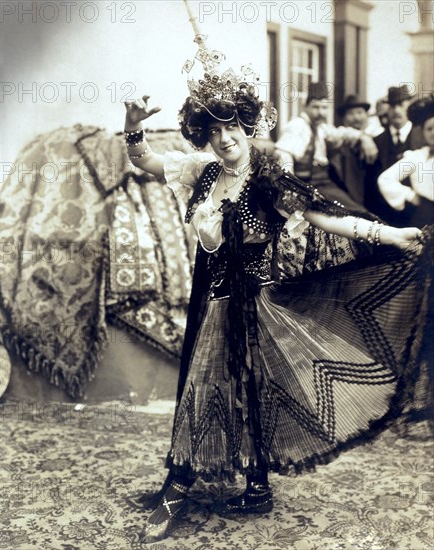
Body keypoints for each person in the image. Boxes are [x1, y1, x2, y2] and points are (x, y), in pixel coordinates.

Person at [123, 64, 430, 543]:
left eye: (231, 127)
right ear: (202, 134)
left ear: (247, 125)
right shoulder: (201, 172)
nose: (225, 139)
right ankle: (193, 479)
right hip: (210, 296)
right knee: (200, 385)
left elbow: (326, 217)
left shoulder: (267, 179)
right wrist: (134, 124)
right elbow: (144, 160)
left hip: (253, 303)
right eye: (214, 129)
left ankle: (222, 483)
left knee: (248, 389)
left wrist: (390, 233)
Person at [274, 82, 378, 211]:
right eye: (316, 107)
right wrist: (289, 188)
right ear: (304, 106)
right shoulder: (297, 126)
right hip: (308, 186)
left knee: (357, 211)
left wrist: (364, 137)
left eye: (324, 108)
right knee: (352, 213)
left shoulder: (320, 127)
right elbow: (283, 154)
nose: (320, 113)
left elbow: (340, 133)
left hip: (324, 184)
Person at [365, 85, 425, 225]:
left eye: (400, 105)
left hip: (419, 216)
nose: (396, 111)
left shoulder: (423, 138)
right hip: (385, 219)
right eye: (392, 106)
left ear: (408, 107)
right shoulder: (376, 142)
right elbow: (370, 187)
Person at [377, 94, 434, 228]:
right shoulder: (416, 157)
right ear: (423, 133)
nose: (433, 132)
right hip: (423, 218)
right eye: (429, 129)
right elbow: (385, 179)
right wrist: (410, 195)